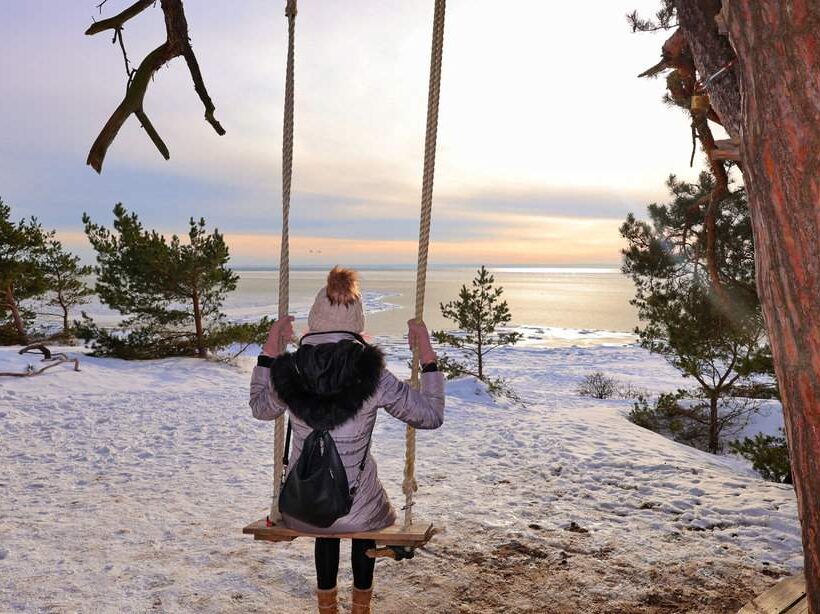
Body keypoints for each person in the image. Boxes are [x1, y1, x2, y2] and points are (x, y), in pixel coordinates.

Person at [249, 266, 445, 614]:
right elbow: (430, 416)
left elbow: (261, 408)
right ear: (356, 324)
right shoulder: (374, 376)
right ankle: (361, 608)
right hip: (357, 509)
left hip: (303, 506)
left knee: (328, 521)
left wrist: (269, 350)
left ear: (315, 321)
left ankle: (327, 608)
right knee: (361, 505)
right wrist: (427, 354)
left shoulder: (289, 371)